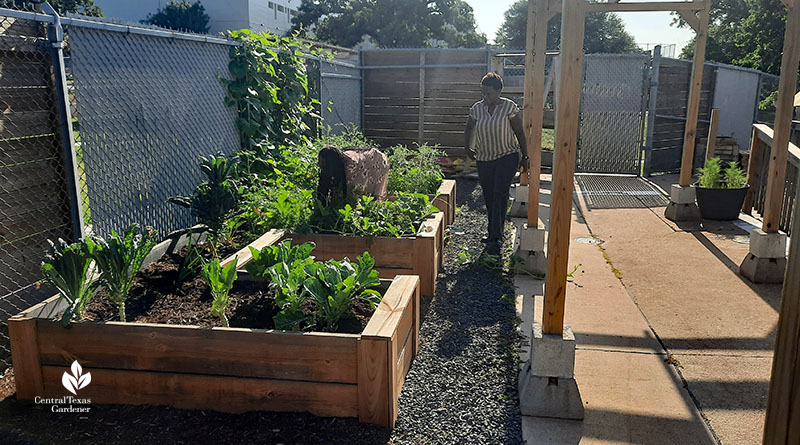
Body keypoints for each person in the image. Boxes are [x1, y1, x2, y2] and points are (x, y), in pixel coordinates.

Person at [464, 72, 529, 247]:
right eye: (483, 93)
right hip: (484, 158)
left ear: (499, 91)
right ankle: (494, 231)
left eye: (489, 93)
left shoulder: (509, 107)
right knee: (489, 195)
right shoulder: (477, 108)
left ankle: (496, 234)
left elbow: (519, 132)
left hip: (506, 156)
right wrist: (467, 147)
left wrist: (525, 156)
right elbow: (469, 128)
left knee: (499, 193)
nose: (486, 97)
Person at [316, 146, 389, 206]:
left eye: (324, 164)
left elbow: (347, 190)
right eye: (320, 163)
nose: (322, 166)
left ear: (331, 163)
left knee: (371, 197)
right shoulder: (333, 164)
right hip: (366, 161)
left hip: (377, 161)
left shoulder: (349, 166)